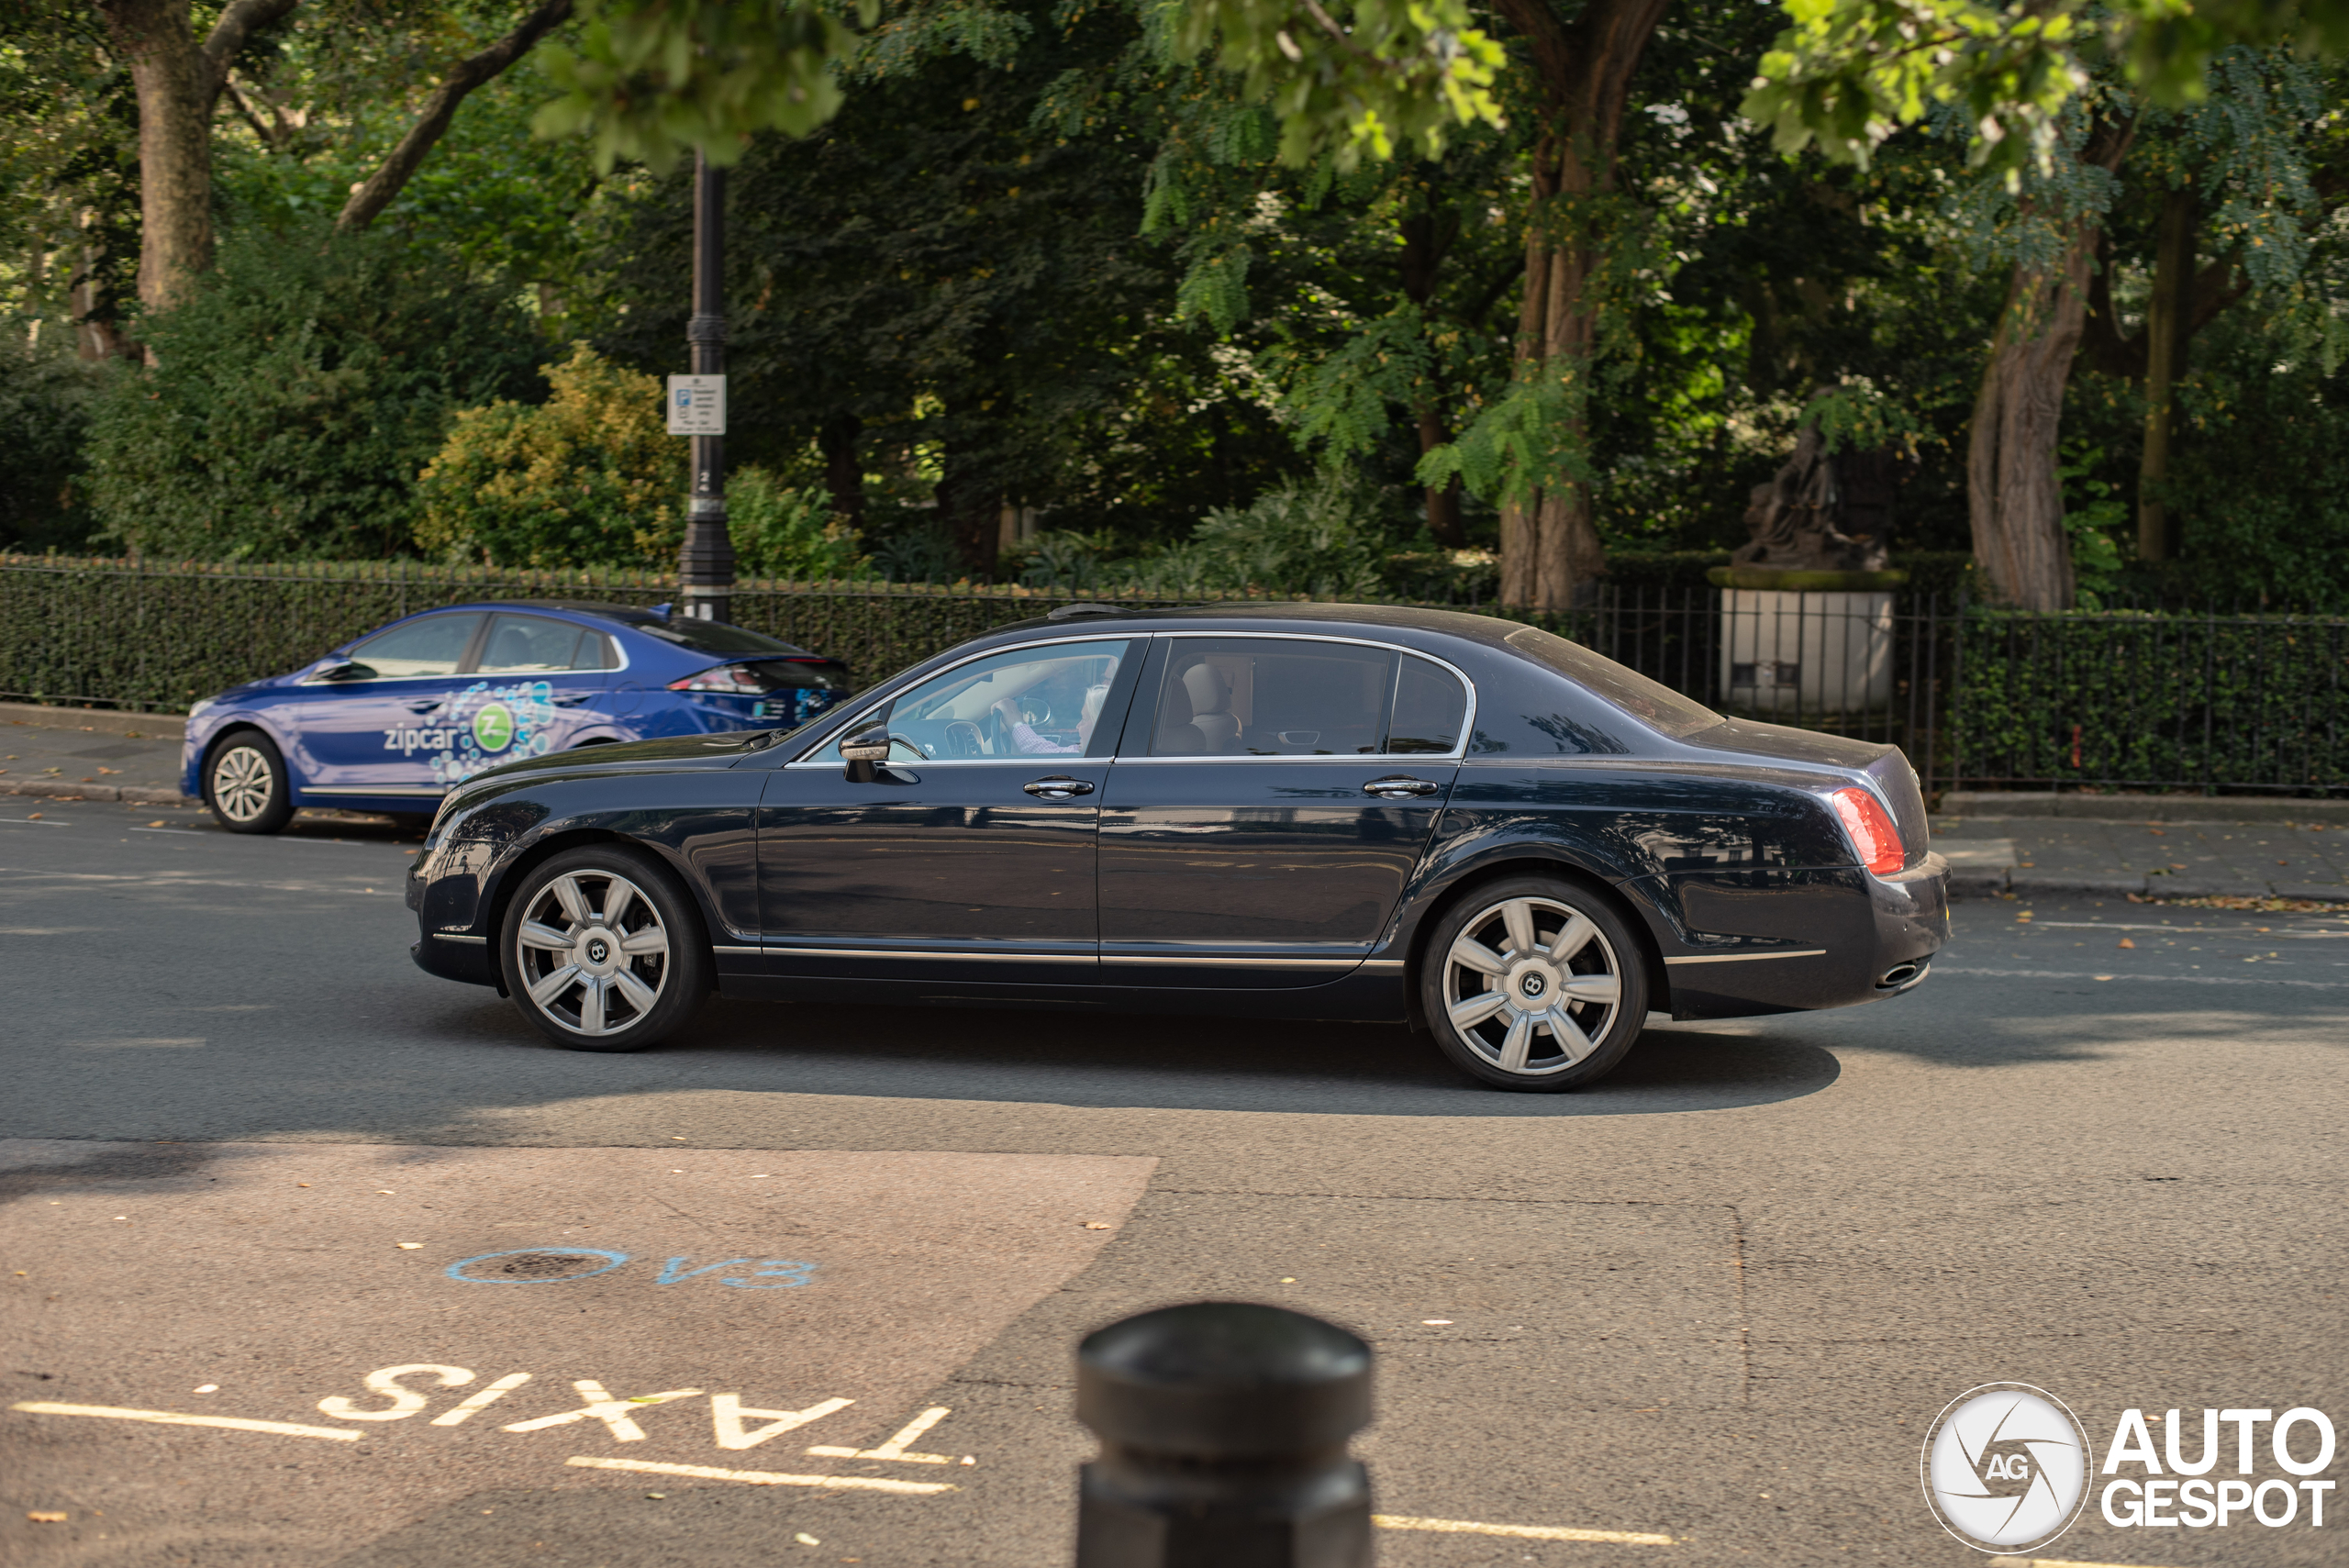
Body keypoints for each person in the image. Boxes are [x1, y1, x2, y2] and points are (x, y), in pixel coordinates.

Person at [991, 663, 1115, 755]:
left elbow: (1045, 752)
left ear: (1100, 725)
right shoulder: (1094, 752)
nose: (1078, 726)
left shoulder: (1092, 756)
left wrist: (1016, 722)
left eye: (1083, 719)